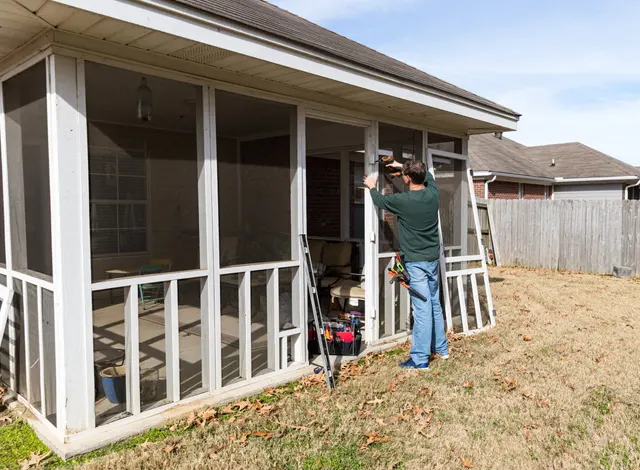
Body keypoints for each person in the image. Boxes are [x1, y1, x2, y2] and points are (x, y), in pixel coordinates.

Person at [363, 159, 448, 369]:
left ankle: (420, 359)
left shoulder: (403, 200)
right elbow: (428, 175)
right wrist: (403, 167)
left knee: (422, 309)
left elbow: (379, 201)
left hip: (416, 263)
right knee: (434, 304)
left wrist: (372, 186)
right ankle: (441, 349)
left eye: (404, 175)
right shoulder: (433, 194)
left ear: (408, 178)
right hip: (431, 259)